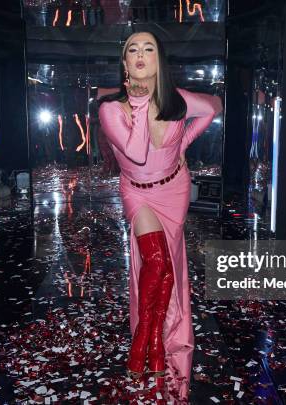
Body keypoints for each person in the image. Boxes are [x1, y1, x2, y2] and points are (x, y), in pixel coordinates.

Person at [98, 31, 222, 402]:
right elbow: (136, 154)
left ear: (158, 62)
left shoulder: (177, 101)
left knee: (169, 267)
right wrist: (139, 105)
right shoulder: (111, 109)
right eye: (131, 50)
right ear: (124, 64)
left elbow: (213, 107)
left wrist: (182, 141)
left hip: (174, 189)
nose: (139, 54)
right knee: (155, 260)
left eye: (148, 48)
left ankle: (152, 340)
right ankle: (147, 339)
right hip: (137, 195)